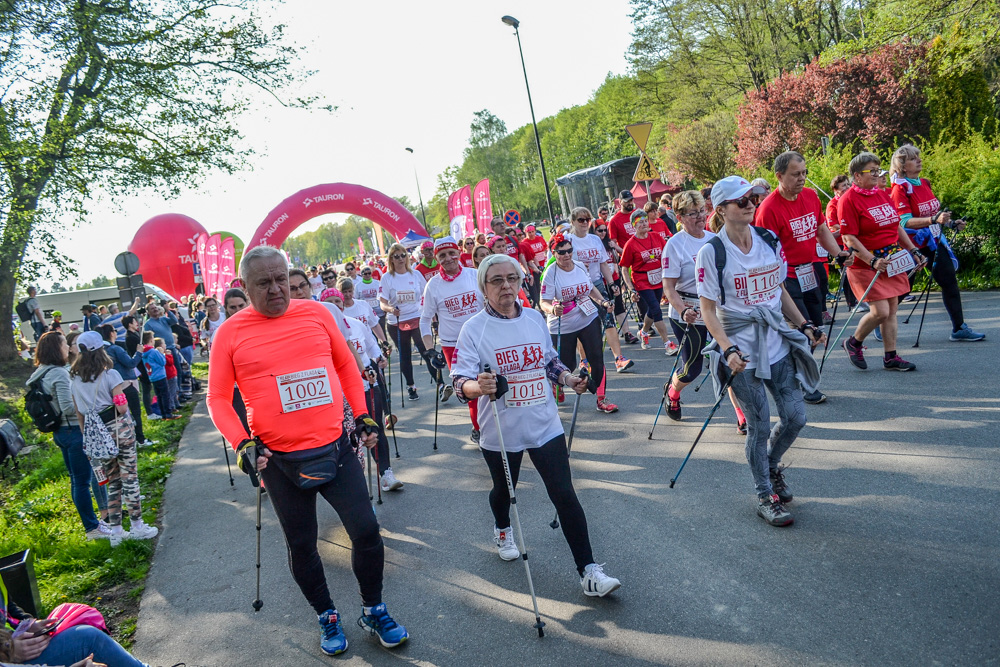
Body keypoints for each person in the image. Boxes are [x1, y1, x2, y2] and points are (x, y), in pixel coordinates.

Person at [207, 245, 409, 656]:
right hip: (279, 460)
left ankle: (373, 608)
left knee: (367, 531)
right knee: (302, 544)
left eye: (281, 278)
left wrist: (366, 416)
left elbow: (345, 367)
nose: (277, 288)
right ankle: (326, 614)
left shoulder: (316, 314)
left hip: (335, 446)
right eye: (264, 282)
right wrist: (242, 442)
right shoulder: (230, 332)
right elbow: (216, 398)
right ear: (245, 287)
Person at [451, 253, 622, 597]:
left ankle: (588, 571)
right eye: (497, 280)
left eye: (511, 278)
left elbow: (549, 361)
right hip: (502, 429)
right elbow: (458, 382)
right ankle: (502, 528)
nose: (506, 286)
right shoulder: (474, 329)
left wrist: (570, 379)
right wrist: (477, 386)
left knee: (564, 494)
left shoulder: (532, 318)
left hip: (544, 423)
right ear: (484, 288)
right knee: (505, 491)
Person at [696, 176, 825, 527]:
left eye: (752, 197)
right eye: (741, 201)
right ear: (721, 210)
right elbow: (708, 310)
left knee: (796, 417)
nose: (750, 204)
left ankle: (770, 465)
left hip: (777, 342)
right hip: (742, 353)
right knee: (758, 425)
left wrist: (803, 325)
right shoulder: (713, 252)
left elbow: (779, 289)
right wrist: (728, 349)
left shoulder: (768, 240)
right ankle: (765, 493)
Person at [756, 151, 853, 404]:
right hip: (785, 278)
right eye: (795, 174)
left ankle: (802, 375)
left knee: (815, 325)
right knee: (802, 329)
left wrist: (839, 253)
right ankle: (802, 382)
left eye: (804, 173)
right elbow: (765, 254)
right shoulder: (768, 209)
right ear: (779, 176)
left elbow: (820, 228)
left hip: (810, 271)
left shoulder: (810, 196)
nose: (802, 179)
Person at [838, 152, 926, 371]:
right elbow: (849, 237)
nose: (878, 175)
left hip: (891, 260)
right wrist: (872, 260)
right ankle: (853, 342)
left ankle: (891, 357)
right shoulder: (848, 200)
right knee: (880, 311)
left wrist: (913, 250)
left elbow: (896, 226)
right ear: (857, 176)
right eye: (873, 171)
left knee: (892, 309)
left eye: (879, 171)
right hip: (866, 264)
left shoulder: (881, 194)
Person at [663, 190, 745, 425]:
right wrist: (682, 311)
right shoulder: (674, 245)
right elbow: (668, 287)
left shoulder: (715, 239)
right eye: (692, 213)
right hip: (687, 312)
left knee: (728, 359)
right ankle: (673, 392)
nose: (700, 217)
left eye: (702, 211)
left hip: (715, 309)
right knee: (692, 370)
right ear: (679, 217)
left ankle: (741, 416)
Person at [70, 331, 159, 545]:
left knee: (113, 482)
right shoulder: (111, 375)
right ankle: (137, 525)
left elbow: (78, 412)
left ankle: (117, 531)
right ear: (101, 350)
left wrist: (87, 436)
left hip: (95, 434)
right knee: (130, 477)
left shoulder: (73, 379)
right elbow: (121, 406)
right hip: (119, 430)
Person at [890, 144, 985, 342]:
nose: (919, 160)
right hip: (912, 244)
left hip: (934, 240)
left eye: (918, 156)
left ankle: (959, 328)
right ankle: (880, 319)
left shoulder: (924, 182)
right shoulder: (899, 189)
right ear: (903, 166)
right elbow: (904, 221)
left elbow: (933, 213)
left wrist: (950, 223)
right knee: (904, 287)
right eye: (913, 158)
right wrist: (934, 220)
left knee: (949, 280)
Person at [27, 332, 109, 539]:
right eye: (64, 344)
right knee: (82, 481)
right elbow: (67, 407)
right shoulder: (58, 374)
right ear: (57, 348)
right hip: (73, 430)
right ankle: (92, 528)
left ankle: (93, 522)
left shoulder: (41, 372)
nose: (67, 348)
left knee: (77, 480)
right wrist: (89, 403)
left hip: (60, 433)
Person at [540, 233, 619, 414]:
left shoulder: (579, 266)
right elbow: (542, 302)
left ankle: (601, 398)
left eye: (569, 251)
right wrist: (552, 309)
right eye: (561, 252)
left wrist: (603, 302)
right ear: (553, 253)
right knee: (567, 365)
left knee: (597, 358)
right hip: (562, 324)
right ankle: (556, 386)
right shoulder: (550, 273)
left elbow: (589, 288)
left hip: (586, 317)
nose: (566, 255)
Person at [419, 237, 484, 439]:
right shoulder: (433, 285)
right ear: (437, 258)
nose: (448, 258)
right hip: (453, 345)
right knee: (471, 390)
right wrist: (430, 350)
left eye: (451, 253)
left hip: (483, 338)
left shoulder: (475, 275)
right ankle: (479, 429)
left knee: (493, 383)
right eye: (442, 255)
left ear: (458, 253)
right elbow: (425, 320)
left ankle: (499, 424)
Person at [566, 206, 634, 372]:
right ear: (573, 221)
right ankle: (584, 360)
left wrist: (611, 284)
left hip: (596, 284)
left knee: (609, 319)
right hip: (577, 287)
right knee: (582, 324)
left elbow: (603, 263)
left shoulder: (595, 240)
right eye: (580, 220)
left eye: (587, 220)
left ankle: (619, 358)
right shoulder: (568, 240)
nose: (584, 223)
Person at [379, 243, 437, 401]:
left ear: (407, 256)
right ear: (391, 259)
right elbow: (382, 302)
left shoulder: (416, 274)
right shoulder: (387, 278)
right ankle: (411, 387)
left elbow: (427, 295)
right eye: (396, 256)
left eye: (403, 255)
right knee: (405, 355)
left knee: (426, 350)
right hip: (397, 321)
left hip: (417, 317)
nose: (400, 259)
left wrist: (432, 315)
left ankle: (441, 384)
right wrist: (390, 309)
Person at [619, 208, 673, 355]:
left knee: (652, 308)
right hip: (642, 280)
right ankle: (667, 343)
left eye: (645, 221)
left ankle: (643, 332)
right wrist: (631, 288)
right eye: (640, 222)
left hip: (657, 278)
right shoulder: (630, 244)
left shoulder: (656, 237)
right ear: (633, 226)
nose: (643, 224)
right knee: (656, 309)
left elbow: (667, 255)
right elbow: (624, 268)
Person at [96, 325, 150, 447]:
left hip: (112, 388)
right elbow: (131, 363)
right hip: (126, 384)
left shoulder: (101, 350)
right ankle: (140, 439)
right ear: (111, 333)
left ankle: (128, 439)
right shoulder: (115, 349)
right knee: (135, 412)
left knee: (123, 415)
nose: (116, 332)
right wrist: (139, 352)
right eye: (115, 330)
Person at [826, 175, 860, 310]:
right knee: (847, 273)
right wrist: (849, 226)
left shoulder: (851, 200)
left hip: (853, 240)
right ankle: (851, 303)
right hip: (839, 243)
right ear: (836, 190)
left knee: (857, 271)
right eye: (843, 186)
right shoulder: (832, 205)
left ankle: (860, 298)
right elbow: (833, 225)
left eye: (848, 184)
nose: (847, 187)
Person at [141, 332, 176, 420]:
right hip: (160, 375)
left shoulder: (143, 352)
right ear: (151, 340)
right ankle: (168, 413)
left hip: (152, 376)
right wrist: (161, 353)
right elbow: (162, 362)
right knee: (165, 395)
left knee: (159, 396)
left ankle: (163, 414)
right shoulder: (153, 351)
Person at [519, 224, 547, 307]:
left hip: (541, 265)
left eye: (532, 232)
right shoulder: (525, 242)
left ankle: (541, 304)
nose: (531, 234)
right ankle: (536, 304)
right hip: (531, 268)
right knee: (535, 289)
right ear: (525, 233)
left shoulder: (540, 238)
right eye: (529, 232)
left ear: (535, 231)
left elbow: (545, 249)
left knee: (543, 286)